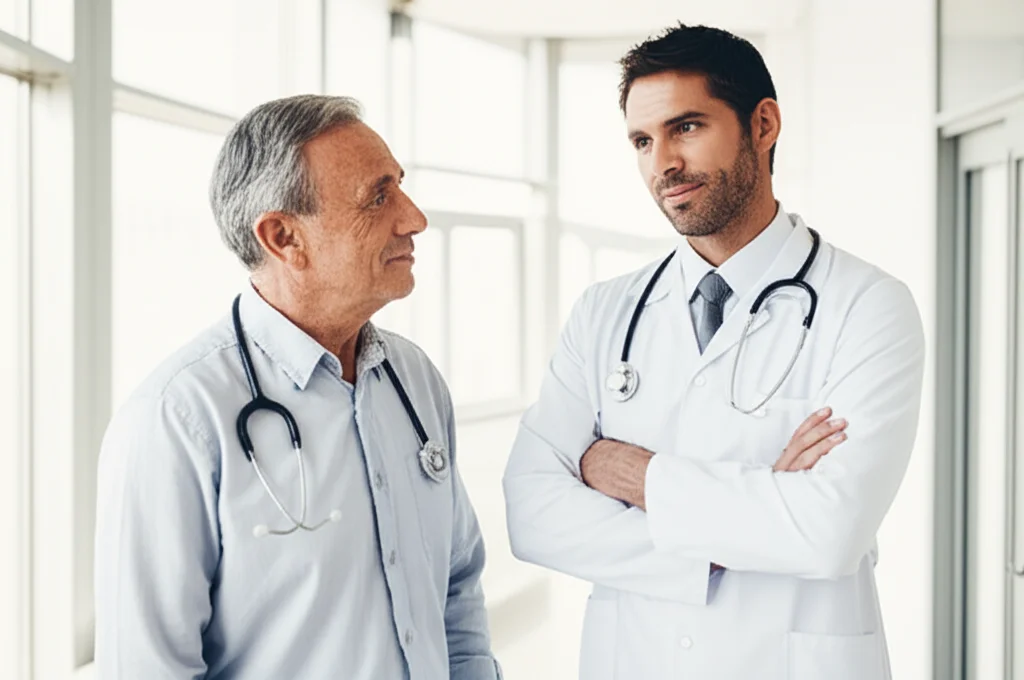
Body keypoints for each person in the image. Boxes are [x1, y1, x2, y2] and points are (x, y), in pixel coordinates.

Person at [503, 24, 924, 680]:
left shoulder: (867, 305)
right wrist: (742, 526)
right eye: (643, 141)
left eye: (687, 128)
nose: (661, 163)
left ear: (763, 124)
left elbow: (828, 530)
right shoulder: (605, 311)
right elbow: (531, 514)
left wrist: (636, 477)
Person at [94, 94, 501, 680]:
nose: (414, 218)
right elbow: (147, 669)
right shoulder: (178, 419)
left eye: (401, 187)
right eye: (378, 197)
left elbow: (456, 587)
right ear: (284, 237)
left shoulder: (414, 382)